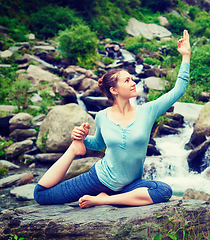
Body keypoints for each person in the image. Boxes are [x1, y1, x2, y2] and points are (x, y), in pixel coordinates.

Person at [34, 30, 191, 208]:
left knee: (163, 191)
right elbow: (98, 144)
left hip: (129, 186)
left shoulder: (148, 111)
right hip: (98, 178)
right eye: (126, 81)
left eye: (132, 79)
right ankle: (73, 149)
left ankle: (104, 199)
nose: (133, 83)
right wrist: (82, 139)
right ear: (114, 90)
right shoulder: (102, 116)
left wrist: (186, 56)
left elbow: (179, 89)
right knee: (41, 195)